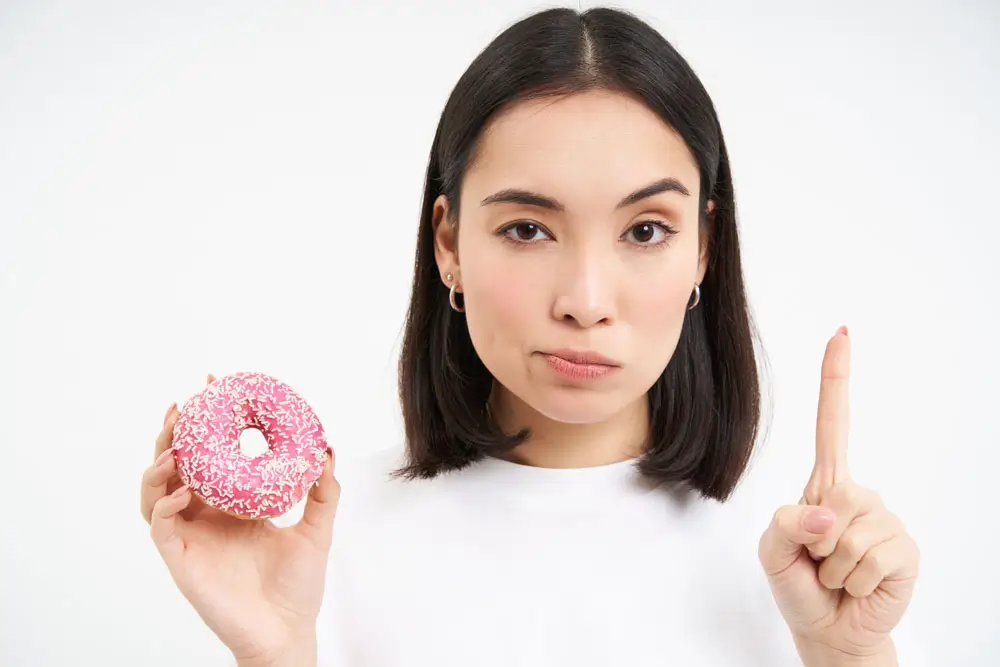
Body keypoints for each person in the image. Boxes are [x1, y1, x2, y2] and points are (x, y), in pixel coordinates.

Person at [140, 6, 922, 666]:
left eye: (646, 229)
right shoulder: (320, 546)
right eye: (527, 228)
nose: (585, 301)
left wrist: (848, 656)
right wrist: (275, 654)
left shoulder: (808, 559)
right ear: (448, 244)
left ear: (704, 251)